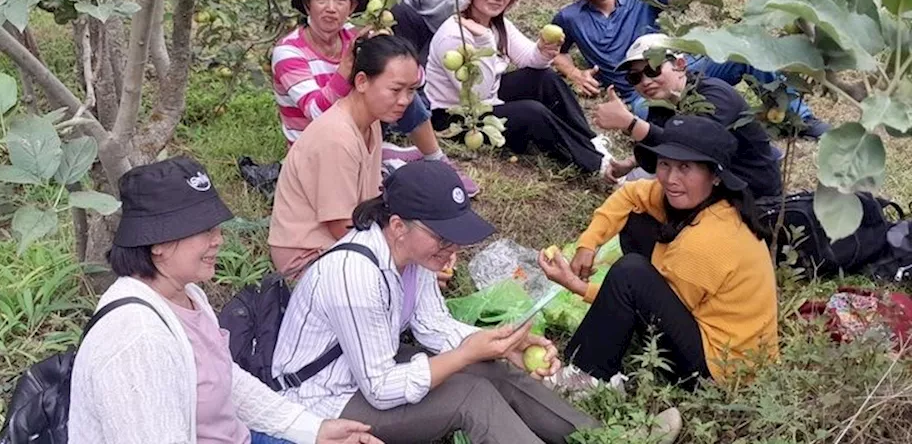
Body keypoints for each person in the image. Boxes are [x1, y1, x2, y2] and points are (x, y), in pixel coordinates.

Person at [270, 160, 626, 444]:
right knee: (470, 396)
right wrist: (465, 354)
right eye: (442, 239)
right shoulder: (355, 275)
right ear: (397, 226)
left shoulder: (415, 257)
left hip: (368, 363)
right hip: (325, 396)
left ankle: (600, 437)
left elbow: (433, 325)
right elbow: (379, 389)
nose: (451, 250)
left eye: (455, 239)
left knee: (491, 368)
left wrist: (501, 346)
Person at [68, 156, 384, 444]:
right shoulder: (137, 343)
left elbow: (226, 382)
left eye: (216, 227)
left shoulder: (186, 294)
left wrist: (313, 429)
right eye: (204, 230)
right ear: (157, 244)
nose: (219, 239)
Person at [539, 116, 779, 389]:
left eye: (685, 168)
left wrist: (577, 286)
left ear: (714, 176)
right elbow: (630, 194)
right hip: (716, 334)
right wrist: (588, 243)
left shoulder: (708, 240)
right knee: (637, 222)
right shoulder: (705, 201)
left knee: (630, 275)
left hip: (721, 370)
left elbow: (640, 299)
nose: (671, 179)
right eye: (665, 164)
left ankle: (587, 375)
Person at [549, 0, 827, 137]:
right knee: (652, 117)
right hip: (643, 90)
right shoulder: (570, 17)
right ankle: (718, 133)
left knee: (746, 51)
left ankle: (795, 117)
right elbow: (555, 52)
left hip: (685, 68)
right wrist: (574, 73)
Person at [272, 0, 476, 195]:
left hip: (359, 132)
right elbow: (318, 115)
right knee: (390, 196)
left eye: (340, 0)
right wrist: (346, 66)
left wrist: (391, 52)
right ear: (308, 5)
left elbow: (416, 79)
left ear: (352, 6)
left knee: (400, 89)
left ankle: (435, 159)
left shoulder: (356, 34)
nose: (331, 8)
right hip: (316, 147)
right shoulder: (289, 52)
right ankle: (385, 158)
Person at [424, 0, 614, 178]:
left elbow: (529, 58)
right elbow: (477, 94)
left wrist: (543, 51)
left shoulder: (497, 24)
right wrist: (485, 41)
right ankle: (597, 165)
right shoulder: (455, 35)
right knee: (531, 113)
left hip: (488, 99)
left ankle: (590, 140)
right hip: (456, 116)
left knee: (544, 78)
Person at [269, 35, 421, 277]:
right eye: (395, 89)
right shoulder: (336, 137)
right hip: (308, 258)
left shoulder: (371, 122)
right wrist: (404, 250)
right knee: (414, 262)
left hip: (343, 242)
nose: (404, 100)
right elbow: (341, 226)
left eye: (411, 90)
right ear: (361, 82)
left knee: (422, 257)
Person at [591, 33, 783, 198]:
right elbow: (658, 156)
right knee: (633, 190)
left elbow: (693, 149)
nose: (645, 81)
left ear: (680, 65)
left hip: (751, 192)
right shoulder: (662, 105)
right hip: (711, 184)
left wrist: (631, 124)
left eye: (653, 69)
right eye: (635, 77)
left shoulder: (714, 95)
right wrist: (631, 163)